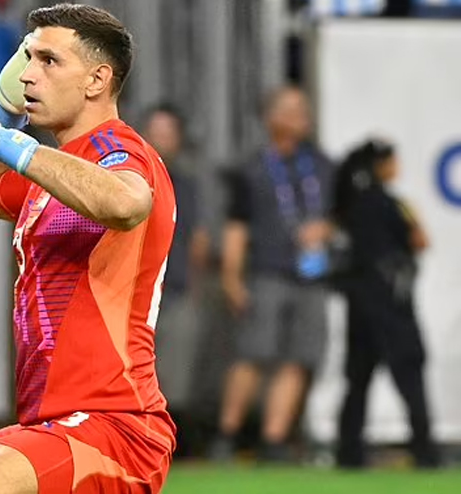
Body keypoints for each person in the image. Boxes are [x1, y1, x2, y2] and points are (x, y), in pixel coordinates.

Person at [0, 3, 176, 493]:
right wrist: (3, 110)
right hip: (54, 424)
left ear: (96, 80)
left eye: (49, 61)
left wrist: (7, 143)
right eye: (27, 58)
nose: (29, 74)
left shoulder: (118, 150)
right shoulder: (56, 169)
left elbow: (126, 202)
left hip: (116, 426)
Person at [211, 86, 335, 462]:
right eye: (289, 109)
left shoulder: (324, 166)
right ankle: (227, 434)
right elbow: (236, 226)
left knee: (299, 357)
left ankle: (274, 438)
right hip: (266, 273)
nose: (299, 116)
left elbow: (339, 214)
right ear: (270, 117)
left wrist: (325, 229)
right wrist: (232, 276)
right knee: (253, 353)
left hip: (311, 277)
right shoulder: (251, 168)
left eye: (303, 109)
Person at [332, 139, 441, 469]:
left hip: (360, 302)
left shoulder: (347, 204)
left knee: (358, 379)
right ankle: (425, 451)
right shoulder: (394, 205)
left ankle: (349, 453)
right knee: (410, 374)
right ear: (381, 166)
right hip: (392, 304)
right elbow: (421, 240)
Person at [141, 103, 200, 456]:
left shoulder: (186, 186)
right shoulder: (127, 176)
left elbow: (197, 239)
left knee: (175, 373)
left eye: (168, 133)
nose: (162, 140)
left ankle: (169, 444)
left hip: (174, 289)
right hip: (132, 293)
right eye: (156, 132)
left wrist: (193, 282)